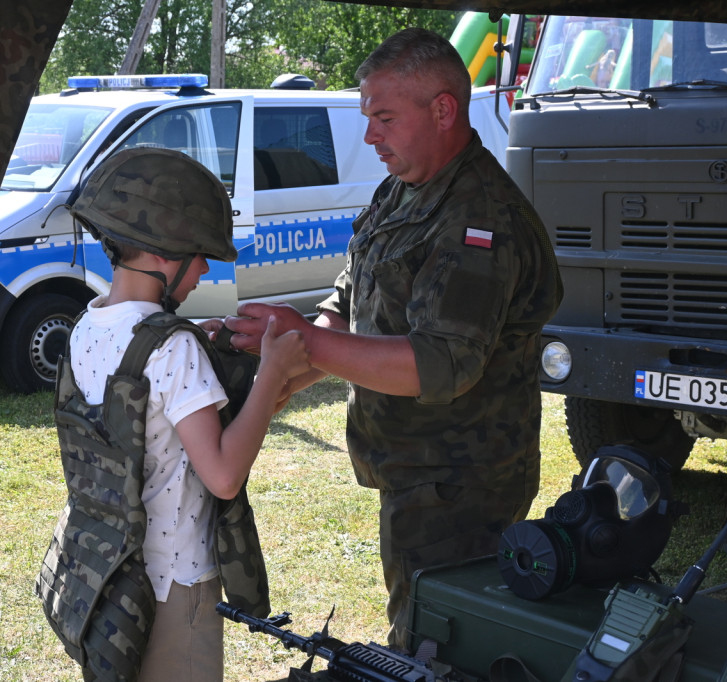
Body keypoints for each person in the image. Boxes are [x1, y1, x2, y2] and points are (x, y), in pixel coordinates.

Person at [222, 27, 563, 650]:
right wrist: (287, 366)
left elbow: (442, 363)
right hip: (416, 472)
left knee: (439, 649)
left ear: (442, 109)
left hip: (461, 484)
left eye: (383, 117)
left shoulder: (477, 217)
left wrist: (309, 344)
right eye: (366, 117)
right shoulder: (404, 189)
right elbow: (353, 308)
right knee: (421, 632)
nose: (369, 135)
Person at [51, 147, 309, 681]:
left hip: (109, 583)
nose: (207, 267)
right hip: (175, 586)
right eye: (199, 252)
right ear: (166, 255)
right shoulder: (173, 348)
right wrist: (272, 372)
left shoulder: (87, 324)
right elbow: (222, 475)